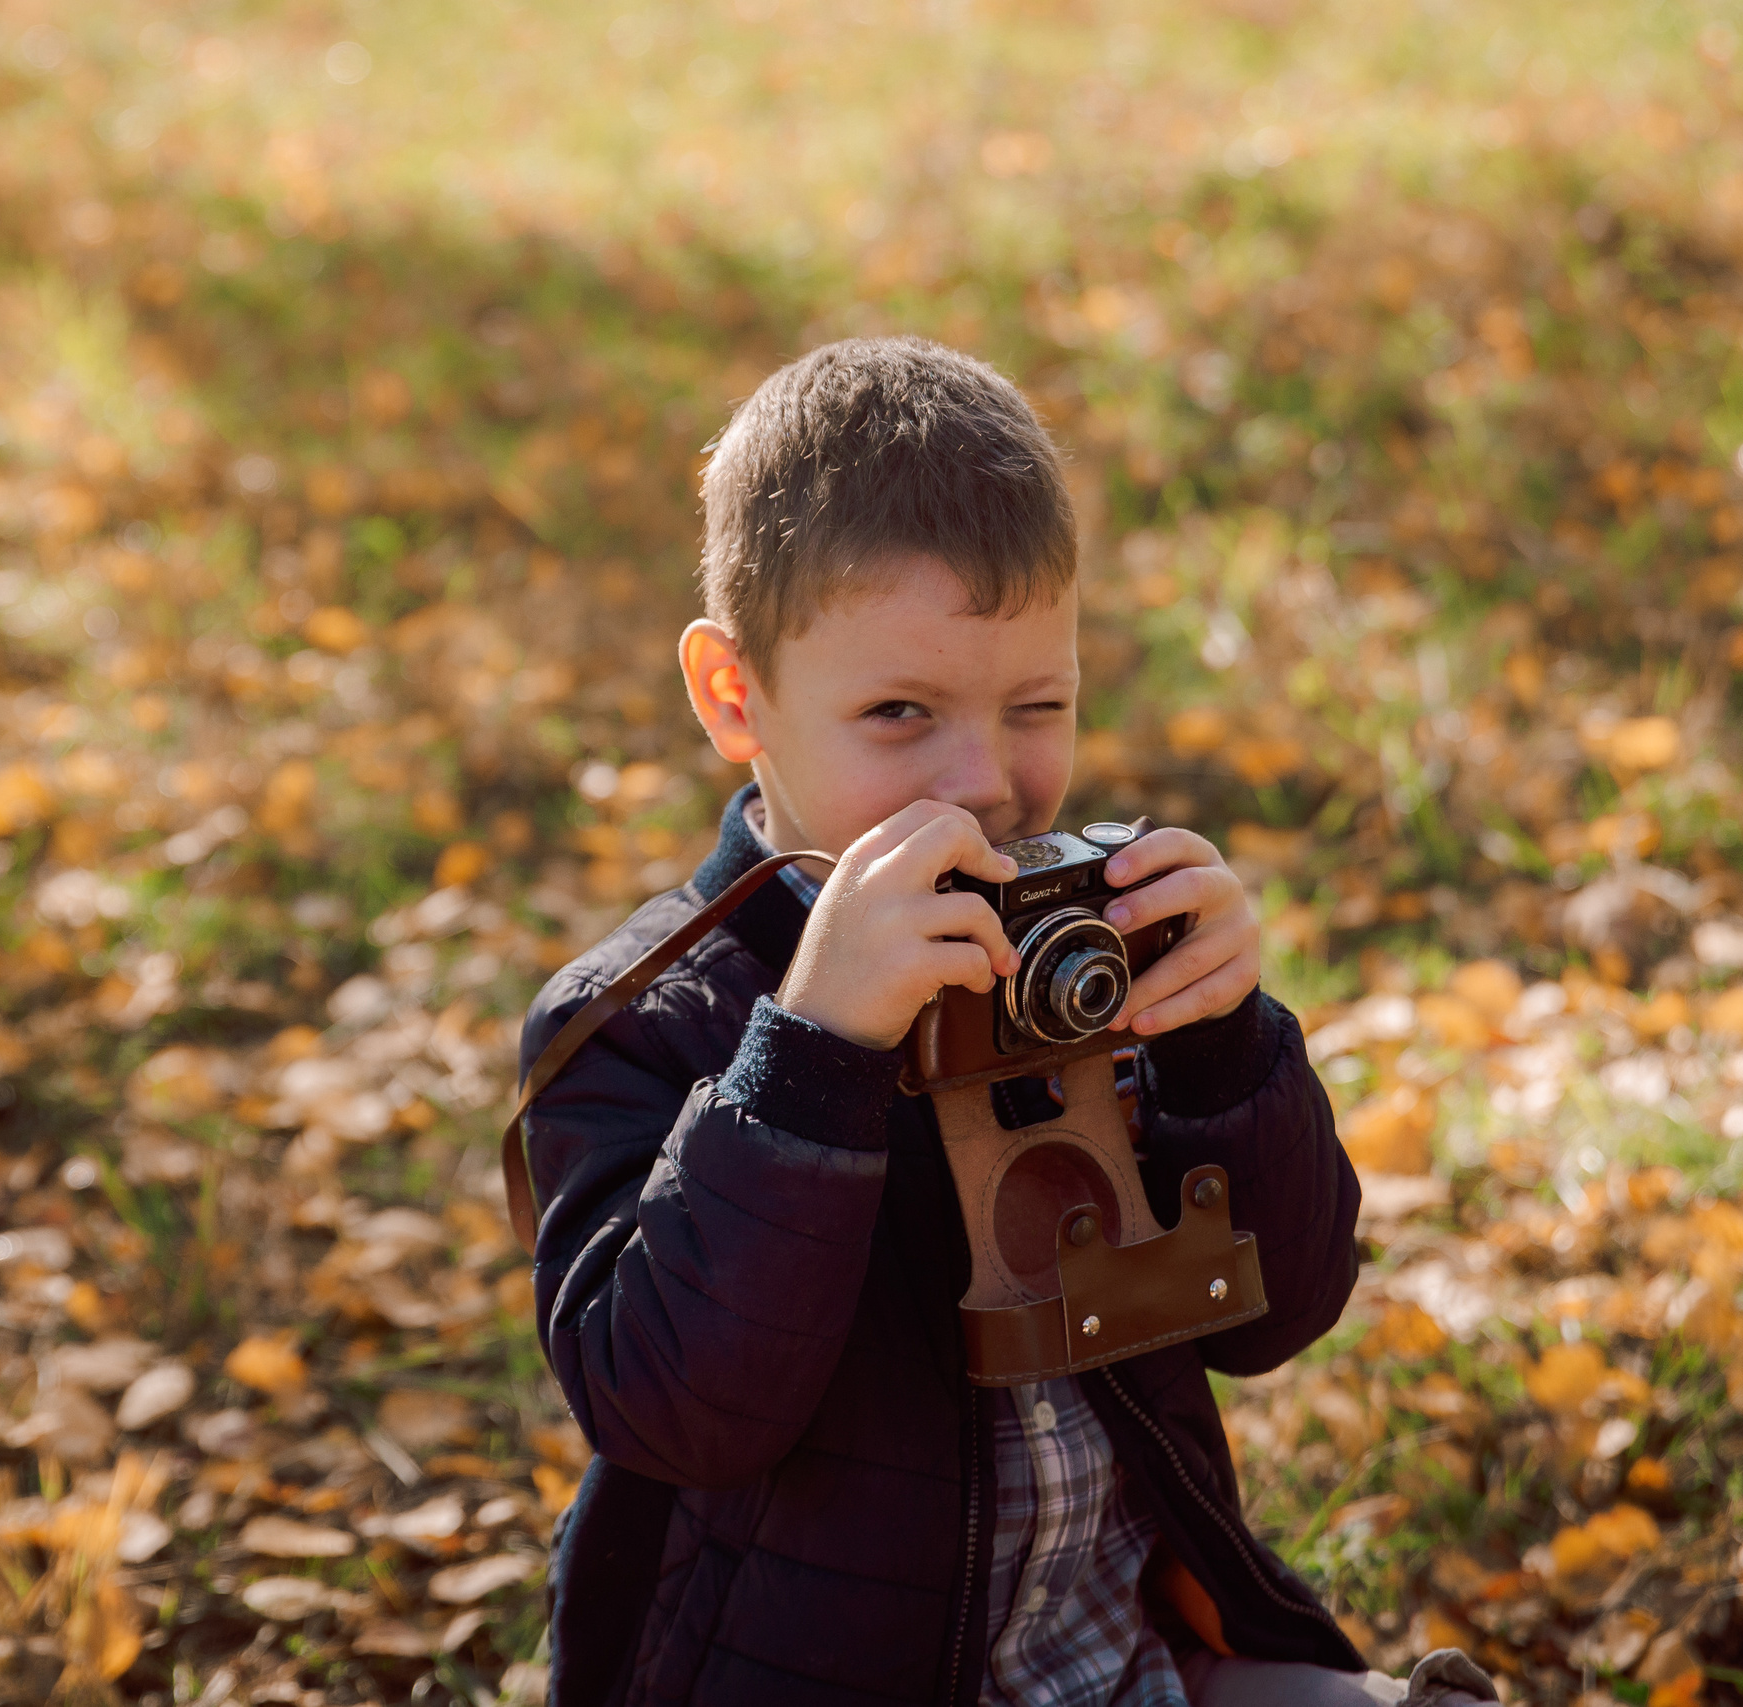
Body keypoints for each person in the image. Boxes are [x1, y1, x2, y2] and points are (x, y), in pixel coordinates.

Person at [516, 338, 1493, 1707]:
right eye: (901, 713)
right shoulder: (640, 1026)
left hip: (1127, 1660)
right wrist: (815, 1056)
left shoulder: (1083, 948)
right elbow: (675, 1409)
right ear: (736, 696)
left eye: (1038, 705)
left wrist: (1223, 1046)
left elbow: (1278, 1317)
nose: (985, 782)